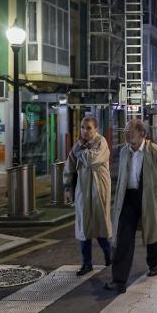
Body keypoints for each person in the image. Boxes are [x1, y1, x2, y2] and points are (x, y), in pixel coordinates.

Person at [105, 119, 157, 294]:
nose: (127, 134)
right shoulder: (124, 151)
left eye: (131, 131)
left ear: (142, 133)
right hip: (129, 198)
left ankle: (154, 263)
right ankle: (119, 279)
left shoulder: (155, 152)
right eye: (126, 131)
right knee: (123, 239)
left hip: (150, 198)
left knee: (153, 232)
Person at [63, 116, 112, 276]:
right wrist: (67, 188)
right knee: (84, 226)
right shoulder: (78, 145)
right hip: (83, 188)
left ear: (96, 128)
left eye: (89, 128)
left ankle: (109, 254)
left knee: (100, 223)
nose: (85, 131)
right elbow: (69, 166)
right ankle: (86, 263)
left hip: (99, 187)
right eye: (83, 128)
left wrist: (80, 151)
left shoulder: (101, 142)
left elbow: (92, 159)